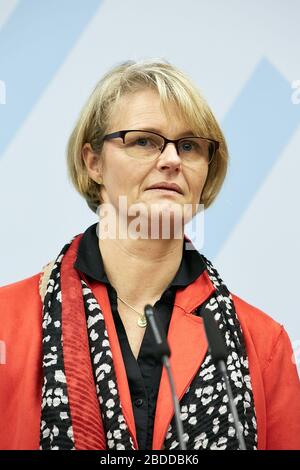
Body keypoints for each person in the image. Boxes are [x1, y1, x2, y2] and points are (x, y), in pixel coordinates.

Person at [0, 59, 299, 451]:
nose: (172, 160)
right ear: (93, 162)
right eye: (144, 140)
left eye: (189, 146)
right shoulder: (7, 322)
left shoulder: (264, 344)